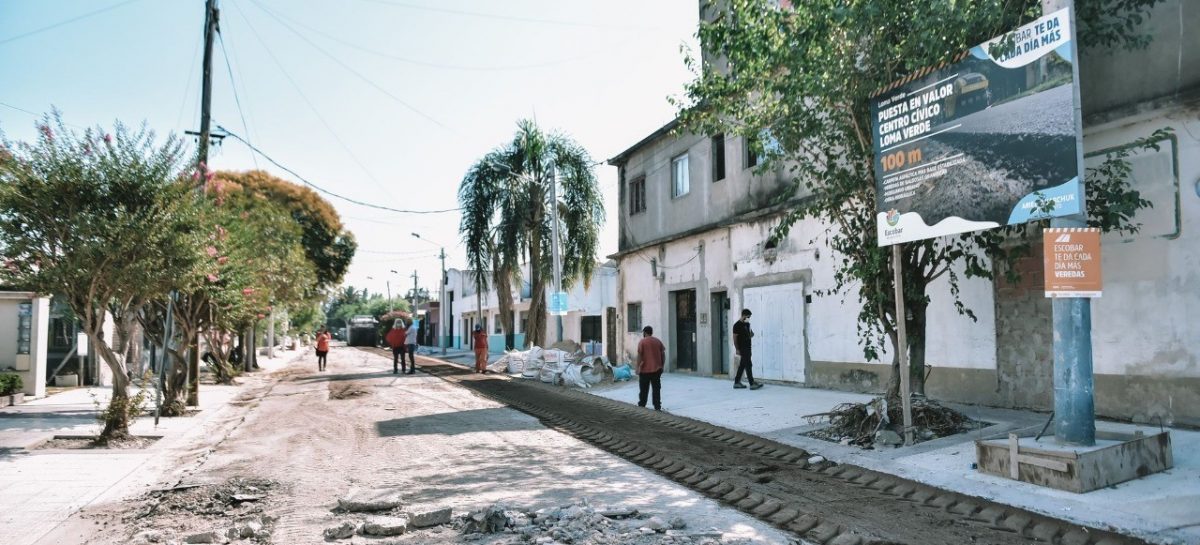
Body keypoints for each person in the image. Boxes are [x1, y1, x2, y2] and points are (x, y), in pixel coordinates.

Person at [636, 325, 666, 410]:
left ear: (645, 333)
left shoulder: (642, 342)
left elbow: (639, 356)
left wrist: (637, 367)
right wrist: (662, 366)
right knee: (656, 389)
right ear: (651, 332)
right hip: (656, 370)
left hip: (644, 370)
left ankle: (642, 404)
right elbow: (663, 355)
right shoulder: (658, 341)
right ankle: (657, 406)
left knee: (644, 389)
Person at [732, 309, 763, 390]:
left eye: (749, 317)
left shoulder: (747, 324)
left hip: (748, 347)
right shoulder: (736, 325)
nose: (749, 318)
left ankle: (737, 382)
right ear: (744, 315)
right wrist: (737, 349)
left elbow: (751, 334)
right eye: (748, 316)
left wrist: (751, 334)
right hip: (742, 348)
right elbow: (735, 338)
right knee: (748, 365)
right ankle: (752, 383)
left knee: (742, 365)